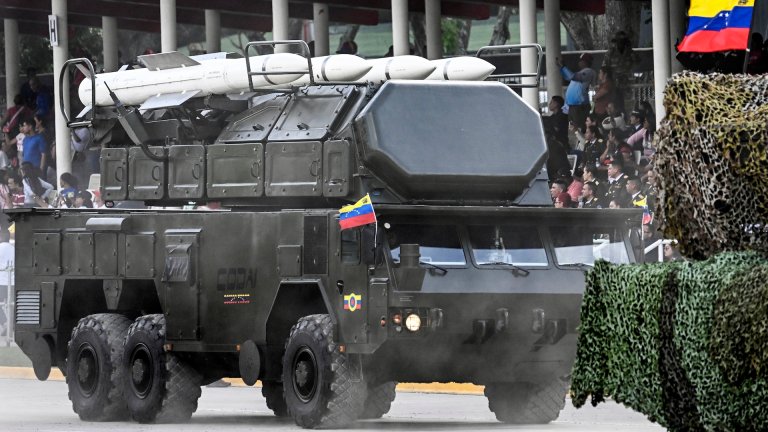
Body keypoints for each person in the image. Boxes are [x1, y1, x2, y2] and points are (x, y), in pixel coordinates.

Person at [558, 53, 596, 130]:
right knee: (573, 129)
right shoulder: (580, 72)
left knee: (579, 129)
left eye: (581, 60)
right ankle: (578, 142)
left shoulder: (589, 71)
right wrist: (562, 67)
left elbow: (572, 76)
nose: (579, 62)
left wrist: (563, 66)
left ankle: (582, 142)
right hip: (573, 107)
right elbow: (568, 77)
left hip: (580, 107)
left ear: (585, 62)